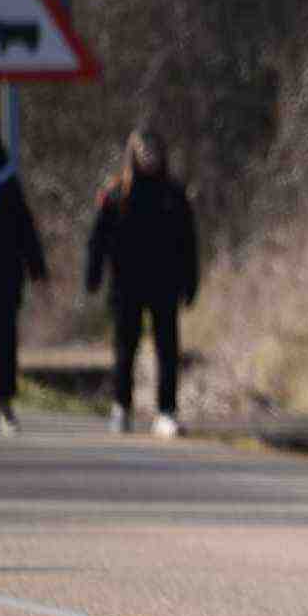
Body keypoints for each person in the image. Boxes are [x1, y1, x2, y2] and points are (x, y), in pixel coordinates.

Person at [86, 129, 198, 438]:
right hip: (126, 286)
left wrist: (191, 282)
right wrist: (93, 275)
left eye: (154, 151)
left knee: (167, 350)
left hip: (164, 284)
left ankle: (166, 411)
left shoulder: (174, 195)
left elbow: (188, 243)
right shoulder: (116, 193)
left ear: (163, 154)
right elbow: (98, 240)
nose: (149, 157)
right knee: (125, 348)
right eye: (143, 151)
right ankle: (121, 407)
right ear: (133, 154)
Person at [0, 117, 47, 437]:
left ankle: (4, 404)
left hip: (3, 274)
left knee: (4, 341)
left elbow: (24, 228)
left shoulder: (8, 181)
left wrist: (37, 268)